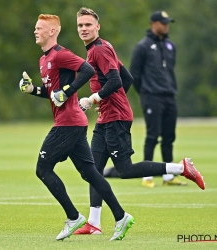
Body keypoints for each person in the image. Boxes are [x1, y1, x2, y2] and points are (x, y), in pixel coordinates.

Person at [74, 7, 205, 235]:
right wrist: (107, 102)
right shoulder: (102, 47)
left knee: (124, 170)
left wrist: (95, 98)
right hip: (108, 116)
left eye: (88, 25)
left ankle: (181, 168)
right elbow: (128, 78)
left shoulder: (99, 50)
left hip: (116, 119)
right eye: (80, 25)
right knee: (93, 169)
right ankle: (94, 223)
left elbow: (115, 80)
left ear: (98, 27)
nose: (84, 28)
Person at [19, 13, 136, 241]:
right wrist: (33, 89)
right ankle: (121, 217)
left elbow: (88, 70)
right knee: (90, 173)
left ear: (52, 31)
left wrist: (69, 91)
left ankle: (74, 218)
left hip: (69, 123)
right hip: (74, 122)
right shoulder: (43, 60)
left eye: (39, 28)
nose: (35, 31)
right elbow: (55, 96)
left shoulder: (61, 54)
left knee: (42, 169)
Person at [129, 10, 185, 188]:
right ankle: (147, 176)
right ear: (154, 23)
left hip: (169, 96)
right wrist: (145, 94)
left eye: (168, 22)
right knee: (153, 135)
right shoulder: (142, 47)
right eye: (163, 22)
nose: (166, 25)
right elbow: (134, 75)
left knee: (169, 136)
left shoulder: (170, 46)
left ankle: (169, 176)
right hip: (151, 97)